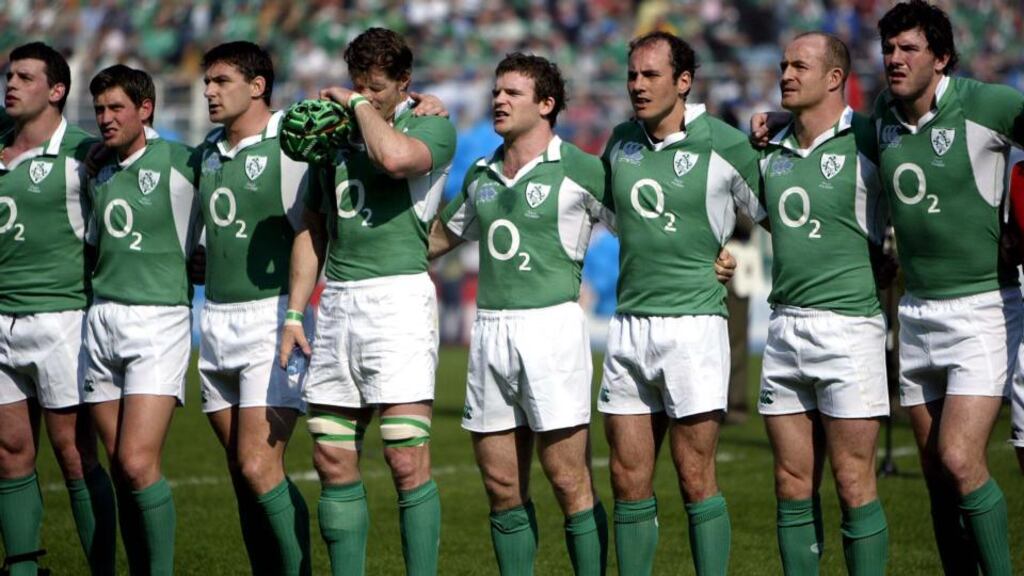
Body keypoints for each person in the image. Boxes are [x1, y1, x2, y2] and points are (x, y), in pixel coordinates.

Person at [279, 27, 455, 576]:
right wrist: (293, 310)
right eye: (359, 84)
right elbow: (312, 227)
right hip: (337, 304)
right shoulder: (333, 138)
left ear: (404, 82)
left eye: (377, 87)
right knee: (331, 457)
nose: (366, 94)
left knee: (405, 459)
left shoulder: (432, 124)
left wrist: (357, 106)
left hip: (398, 300)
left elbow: (395, 158)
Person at [430, 52, 611, 576]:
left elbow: (638, 230)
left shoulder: (580, 168)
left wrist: (706, 258)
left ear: (547, 104)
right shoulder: (482, 172)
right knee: (502, 486)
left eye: (512, 92)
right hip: (489, 332)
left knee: (568, 480)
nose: (499, 100)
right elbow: (440, 236)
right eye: (496, 91)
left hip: (551, 329)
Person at [597, 31, 763, 576]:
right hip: (628, 325)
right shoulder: (619, 141)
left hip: (694, 326)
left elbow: (778, 211)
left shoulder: (724, 142)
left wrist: (738, 253)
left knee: (695, 476)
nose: (637, 86)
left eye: (650, 76)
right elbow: (613, 217)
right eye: (632, 75)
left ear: (684, 82)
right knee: (627, 478)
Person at [873, 3, 1023, 573]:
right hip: (916, 312)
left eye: (909, 49)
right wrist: (774, 121)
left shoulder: (990, 104)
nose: (894, 59)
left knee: (960, 458)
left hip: (985, 307)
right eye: (889, 48)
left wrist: (1020, 226)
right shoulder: (882, 119)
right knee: (937, 476)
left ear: (941, 58)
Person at [757, 32, 890, 575]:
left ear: (834, 78)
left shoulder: (871, 138)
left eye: (799, 66)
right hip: (784, 325)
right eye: (783, 64)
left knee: (854, 480)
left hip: (850, 328)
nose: (786, 74)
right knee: (790, 481)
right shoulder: (768, 149)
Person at [194, 41, 311, 576]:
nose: (209, 91)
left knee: (258, 464)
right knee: (243, 473)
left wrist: (294, 314)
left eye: (221, 81)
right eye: (207, 82)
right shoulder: (206, 153)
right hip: (214, 320)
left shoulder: (291, 141)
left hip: (273, 318)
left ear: (257, 85)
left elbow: (312, 230)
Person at [0, 42, 116, 576]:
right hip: (1, 318)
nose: (11, 83)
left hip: (63, 318)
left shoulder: (86, 155)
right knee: (8, 450)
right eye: (9, 75)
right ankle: (23, 568)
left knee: (73, 452)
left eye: (25, 76)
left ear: (56, 90)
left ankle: (101, 569)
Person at [85, 64, 201, 575]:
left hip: (158, 319)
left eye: (116, 109)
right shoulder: (98, 170)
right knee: (119, 468)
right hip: (101, 318)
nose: (106, 120)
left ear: (145, 109)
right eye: (100, 111)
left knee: (137, 462)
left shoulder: (181, 160)